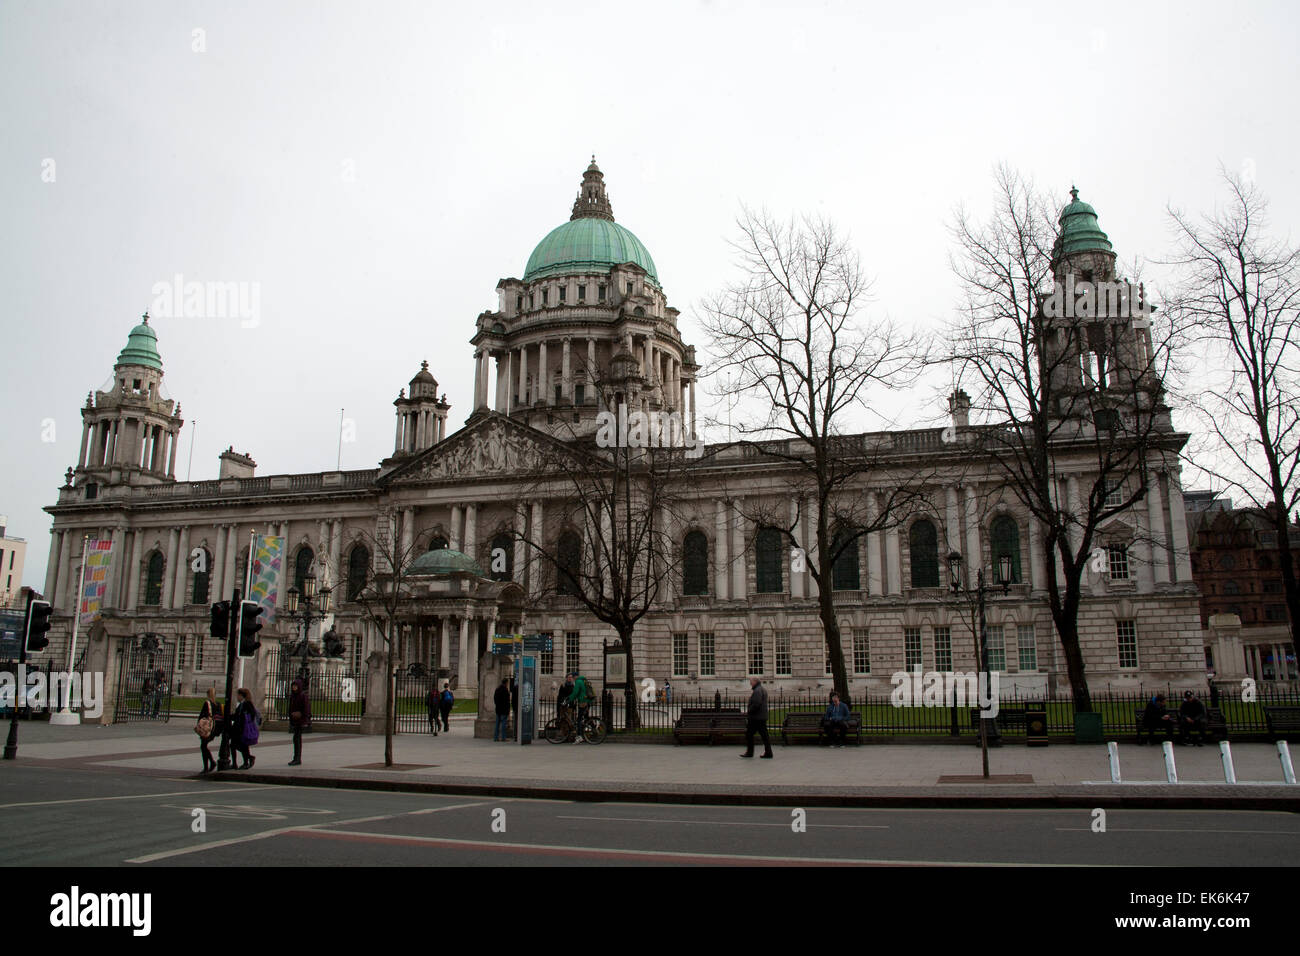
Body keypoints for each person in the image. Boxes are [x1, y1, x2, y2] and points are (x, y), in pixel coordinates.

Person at [741, 676, 773, 758]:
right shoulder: (762, 689)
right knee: (764, 735)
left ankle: (750, 752)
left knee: (749, 734)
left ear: (755, 682)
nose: (750, 683)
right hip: (761, 717)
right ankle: (768, 752)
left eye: (751, 682)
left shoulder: (757, 691)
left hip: (756, 718)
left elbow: (756, 704)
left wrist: (749, 711)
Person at [229, 687, 259, 769]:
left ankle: (247, 760)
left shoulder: (246, 704)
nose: (237, 697)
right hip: (239, 728)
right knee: (236, 745)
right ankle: (240, 762)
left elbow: (249, 715)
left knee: (240, 746)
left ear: (242, 696)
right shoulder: (243, 704)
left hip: (242, 729)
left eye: (238, 695)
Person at [197, 688, 222, 773]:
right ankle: (211, 762)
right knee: (204, 746)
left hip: (207, 728)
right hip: (214, 728)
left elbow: (202, 715)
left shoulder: (207, 703)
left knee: (203, 746)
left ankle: (207, 766)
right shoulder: (218, 704)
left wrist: (199, 725)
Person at [288, 678, 310, 765]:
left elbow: (306, 709)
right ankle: (296, 758)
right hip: (294, 720)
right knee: (295, 739)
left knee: (297, 739)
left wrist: (301, 716)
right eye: (293, 686)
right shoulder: (293, 696)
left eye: (295, 686)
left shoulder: (302, 696)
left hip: (300, 720)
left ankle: (297, 758)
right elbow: (290, 708)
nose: (294, 687)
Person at [569, 671, 593, 743]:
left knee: (579, 719)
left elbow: (575, 692)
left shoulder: (578, 682)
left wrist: (569, 699)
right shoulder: (583, 680)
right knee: (585, 717)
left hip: (583, 702)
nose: (573, 679)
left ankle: (579, 736)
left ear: (575, 676)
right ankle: (594, 728)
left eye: (573, 677)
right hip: (587, 701)